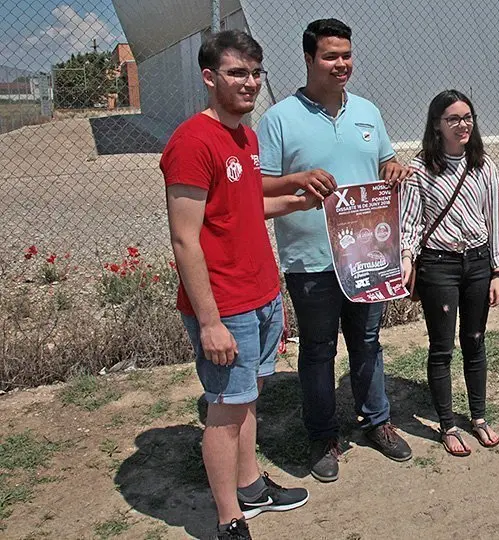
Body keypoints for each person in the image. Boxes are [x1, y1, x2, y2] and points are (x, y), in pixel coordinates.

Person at [161, 30, 315, 540]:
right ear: (209, 77)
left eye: (255, 73)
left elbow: (245, 208)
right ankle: (229, 517)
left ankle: (251, 486)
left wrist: (294, 201)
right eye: (236, 73)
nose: (249, 83)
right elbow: (185, 239)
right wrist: (209, 322)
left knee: (248, 398)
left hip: (262, 294)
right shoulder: (191, 142)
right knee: (225, 410)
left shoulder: (246, 138)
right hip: (225, 305)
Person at [257, 18, 413, 483]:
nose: (341, 64)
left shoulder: (368, 112)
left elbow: (383, 160)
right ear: (309, 59)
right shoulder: (279, 119)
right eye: (330, 56)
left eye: (346, 55)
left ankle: (376, 421)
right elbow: (258, 186)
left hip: (366, 257)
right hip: (313, 262)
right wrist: (297, 180)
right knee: (319, 350)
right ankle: (323, 435)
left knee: (368, 342)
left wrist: (394, 168)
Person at [401, 90, 499, 457]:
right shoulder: (419, 169)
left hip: (478, 264)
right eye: (454, 119)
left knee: (475, 340)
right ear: (436, 125)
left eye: (468, 118)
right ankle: (448, 424)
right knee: (442, 347)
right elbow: (412, 222)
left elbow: (495, 220)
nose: (463, 125)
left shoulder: (484, 166)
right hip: (439, 266)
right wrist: (407, 258)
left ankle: (478, 417)